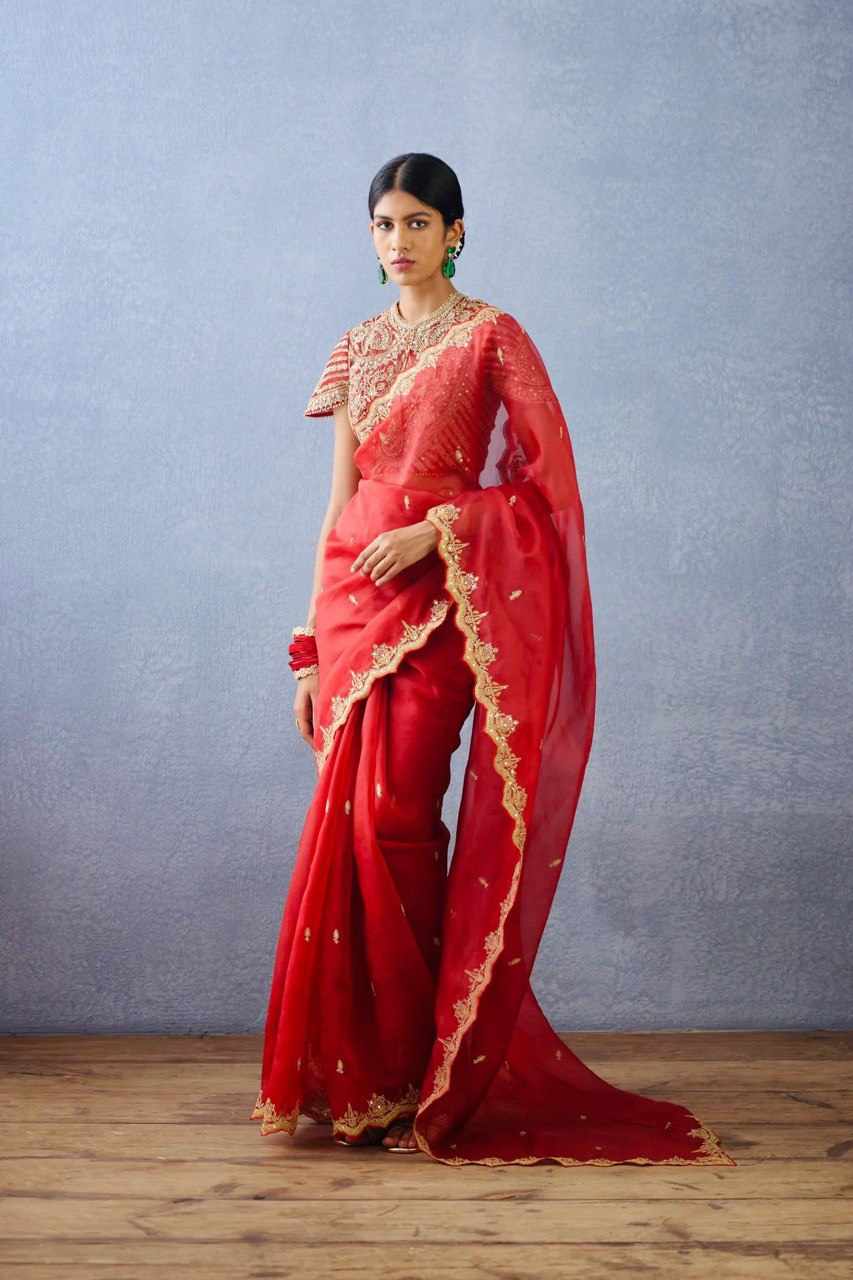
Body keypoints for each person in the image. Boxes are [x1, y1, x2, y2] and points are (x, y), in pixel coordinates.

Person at [250, 152, 736, 1167]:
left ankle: (425, 1072)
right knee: (348, 827)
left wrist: (440, 531)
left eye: (418, 223)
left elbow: (545, 486)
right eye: (384, 224)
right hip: (351, 605)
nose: (399, 241)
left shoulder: (491, 336)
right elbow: (338, 504)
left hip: (442, 602)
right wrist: (305, 649)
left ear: (455, 232)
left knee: (394, 820)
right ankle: (361, 1081)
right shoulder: (352, 348)